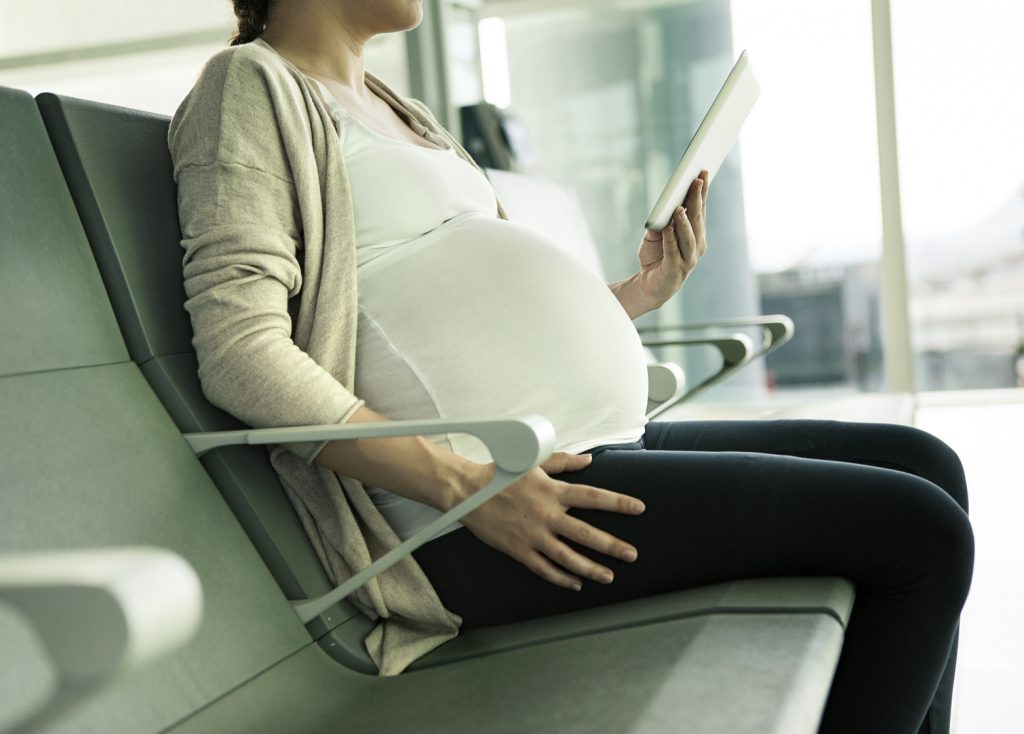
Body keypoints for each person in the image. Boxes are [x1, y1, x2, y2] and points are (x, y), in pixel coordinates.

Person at [168, 1, 974, 731]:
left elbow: (472, 310)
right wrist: (467, 487)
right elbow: (242, 353)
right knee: (920, 534)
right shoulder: (249, 86)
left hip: (591, 448)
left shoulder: (395, 107)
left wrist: (635, 294)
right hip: (488, 511)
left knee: (927, 463)